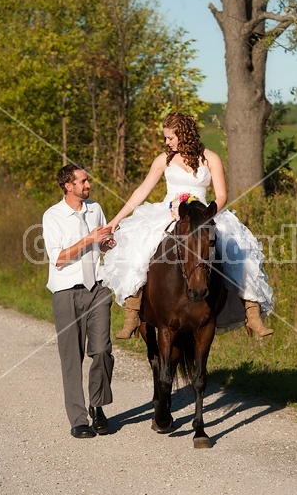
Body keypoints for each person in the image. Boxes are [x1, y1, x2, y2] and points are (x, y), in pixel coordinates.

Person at [101, 112, 274, 339]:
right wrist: (115, 220)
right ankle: (132, 314)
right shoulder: (163, 160)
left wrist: (205, 214)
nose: (166, 142)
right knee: (138, 248)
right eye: (166, 138)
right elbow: (141, 191)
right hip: (169, 213)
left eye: (170, 138)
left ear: (184, 134)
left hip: (203, 213)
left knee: (239, 252)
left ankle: (252, 314)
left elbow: (221, 195)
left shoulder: (211, 158)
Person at [42, 164, 116, 439]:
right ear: (67, 186)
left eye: (87, 181)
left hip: (97, 288)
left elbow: (101, 243)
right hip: (66, 292)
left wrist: (107, 243)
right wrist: (89, 239)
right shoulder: (52, 216)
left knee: (102, 351)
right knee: (71, 357)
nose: (88, 185)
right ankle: (78, 418)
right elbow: (59, 258)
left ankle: (97, 406)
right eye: (83, 182)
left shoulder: (95, 209)